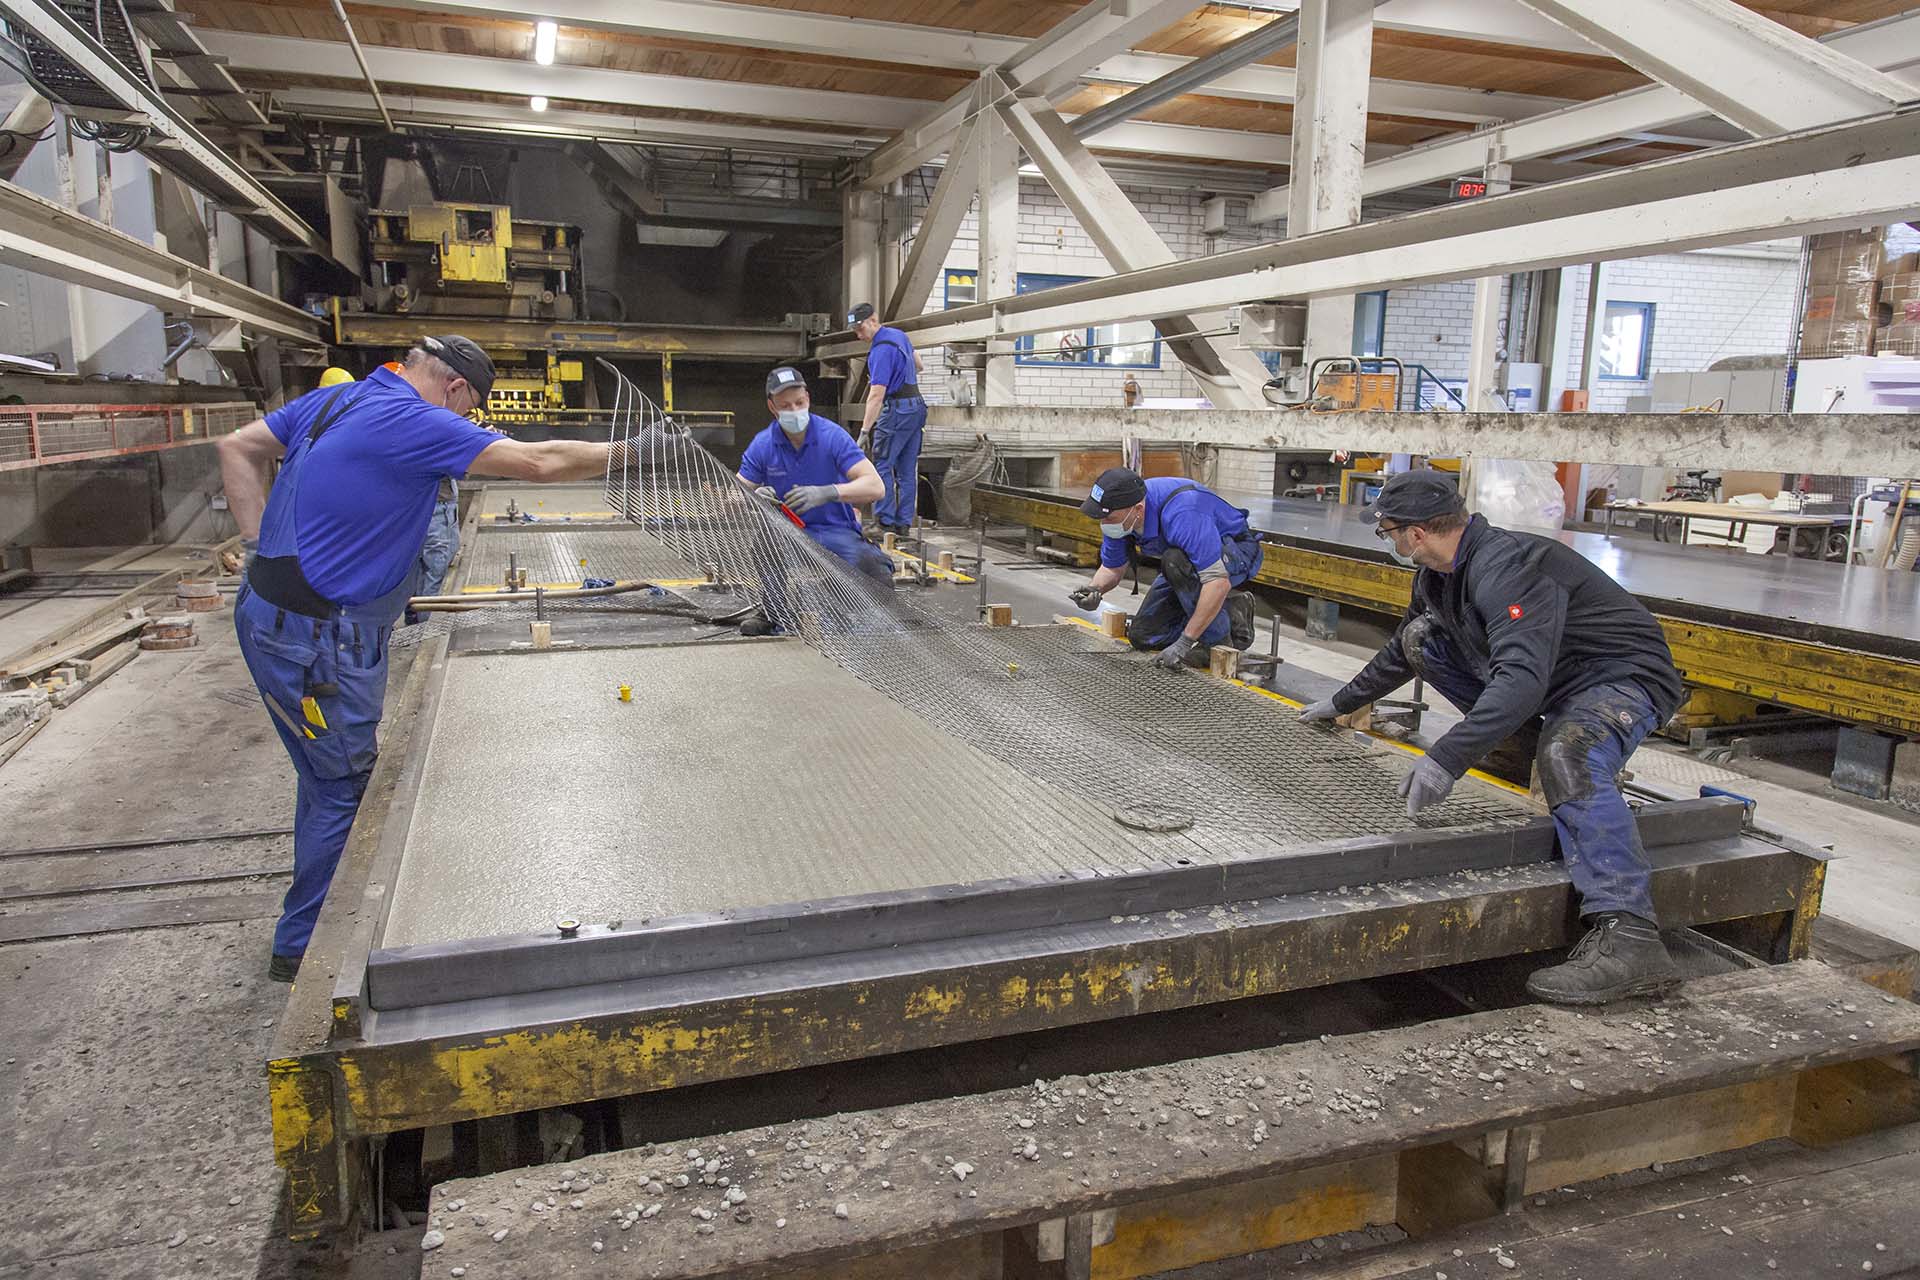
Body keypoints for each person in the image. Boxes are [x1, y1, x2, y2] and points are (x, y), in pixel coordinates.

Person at [217, 334, 631, 982]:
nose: (465, 422)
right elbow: (540, 461)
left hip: (271, 614)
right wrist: (636, 452)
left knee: (323, 774)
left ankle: (310, 928)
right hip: (318, 641)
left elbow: (237, 447)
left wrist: (254, 542)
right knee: (345, 788)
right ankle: (309, 950)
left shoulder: (336, 402)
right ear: (455, 387)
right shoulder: (413, 418)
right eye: (468, 410)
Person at [1297, 469, 1688, 1005]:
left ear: (1415, 533)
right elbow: (1402, 648)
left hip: (1618, 677)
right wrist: (1343, 702)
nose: (1386, 541)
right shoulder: (1438, 575)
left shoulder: (1505, 569)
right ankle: (1520, 755)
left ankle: (1630, 938)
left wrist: (1447, 758)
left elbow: (1521, 679)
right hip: (1557, 675)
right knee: (1422, 639)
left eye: (1386, 531)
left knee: (1569, 752)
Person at [1067, 467, 1260, 670]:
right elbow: (1112, 568)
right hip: (1185, 563)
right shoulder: (1121, 517)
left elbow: (1217, 582)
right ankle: (1228, 611)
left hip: (1234, 551)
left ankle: (1216, 641)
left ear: (1138, 510)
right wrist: (1095, 589)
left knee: (1174, 560)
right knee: (1143, 637)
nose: (1104, 523)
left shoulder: (1185, 513)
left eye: (1109, 518)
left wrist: (1185, 642)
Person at [738, 365, 892, 589]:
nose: (794, 410)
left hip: (835, 531)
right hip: (788, 532)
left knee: (873, 567)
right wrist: (753, 497)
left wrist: (828, 492)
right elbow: (734, 494)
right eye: (785, 406)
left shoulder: (832, 437)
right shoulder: (763, 445)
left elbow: (876, 487)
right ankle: (774, 607)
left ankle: (845, 599)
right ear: (772, 407)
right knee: (765, 547)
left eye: (799, 403)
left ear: (808, 399)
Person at [849, 302, 926, 535]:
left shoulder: (880, 350)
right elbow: (919, 365)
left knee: (882, 464)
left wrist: (864, 432)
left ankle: (884, 523)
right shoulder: (899, 335)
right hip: (917, 407)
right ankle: (903, 525)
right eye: (855, 331)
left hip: (897, 411)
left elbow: (876, 395)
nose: (858, 335)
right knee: (906, 469)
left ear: (873, 320)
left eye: (860, 328)